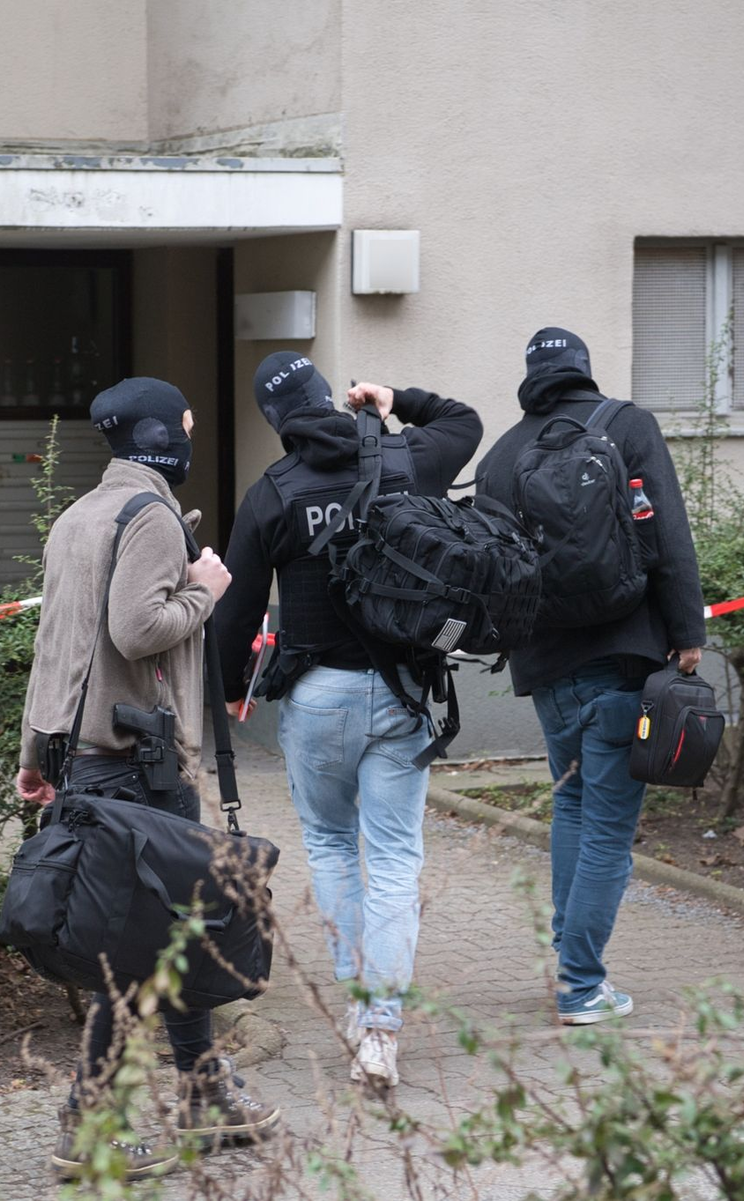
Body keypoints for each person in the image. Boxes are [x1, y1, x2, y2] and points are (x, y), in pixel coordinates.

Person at [15, 377, 280, 1179]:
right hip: (141, 771)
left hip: (85, 761)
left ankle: (206, 1094)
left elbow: (55, 643)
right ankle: (90, 1123)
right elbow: (138, 628)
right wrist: (206, 588)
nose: (196, 431)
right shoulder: (152, 515)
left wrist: (33, 755)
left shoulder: (79, 515)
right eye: (190, 422)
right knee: (135, 951)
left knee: (179, 929)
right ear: (165, 432)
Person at [214, 352, 482, 1086]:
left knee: (332, 847)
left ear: (275, 423)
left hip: (318, 698)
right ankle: (381, 1030)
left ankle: (360, 1005)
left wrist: (229, 692)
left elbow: (234, 614)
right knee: (395, 858)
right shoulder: (404, 455)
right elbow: (466, 422)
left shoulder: (271, 493)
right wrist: (399, 396)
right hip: (402, 693)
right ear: (329, 396)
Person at [476, 328, 705, 1025]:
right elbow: (665, 531)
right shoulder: (626, 425)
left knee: (572, 806)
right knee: (607, 825)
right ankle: (581, 984)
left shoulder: (501, 457)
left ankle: (569, 955)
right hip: (622, 655)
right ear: (583, 369)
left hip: (545, 665)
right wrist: (687, 630)